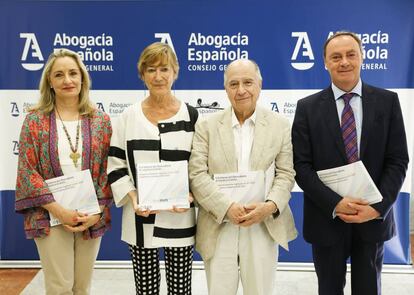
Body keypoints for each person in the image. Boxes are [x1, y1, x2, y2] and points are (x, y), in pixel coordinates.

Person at [292, 31, 409, 295]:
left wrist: (378, 207)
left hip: (372, 219)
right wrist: (335, 203)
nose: (344, 61)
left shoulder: (387, 102)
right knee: (329, 289)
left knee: (368, 290)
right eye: (336, 57)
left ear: (362, 57)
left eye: (350, 54)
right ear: (325, 62)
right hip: (326, 218)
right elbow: (301, 166)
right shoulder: (306, 108)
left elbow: (398, 159)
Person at [189, 59, 297, 295]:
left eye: (248, 82)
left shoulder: (280, 125)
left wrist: (269, 207)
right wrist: (227, 207)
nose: (241, 90)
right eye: (233, 84)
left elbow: (286, 174)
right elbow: (197, 175)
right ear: (226, 89)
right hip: (219, 222)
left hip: (263, 223)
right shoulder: (206, 127)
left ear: (260, 85)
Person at [15, 48, 113, 294]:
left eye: (72, 73)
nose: (67, 80)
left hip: (90, 214)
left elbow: (107, 169)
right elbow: (28, 171)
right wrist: (59, 210)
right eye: (59, 75)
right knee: (59, 287)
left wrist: (97, 211)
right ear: (50, 81)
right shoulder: (35, 120)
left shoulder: (100, 120)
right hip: (50, 214)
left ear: (82, 78)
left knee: (82, 287)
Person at [107, 42, 198, 295]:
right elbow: (116, 165)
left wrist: (191, 195)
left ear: (175, 72)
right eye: (151, 70)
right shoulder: (128, 116)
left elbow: (200, 166)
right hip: (140, 217)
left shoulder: (192, 117)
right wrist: (134, 199)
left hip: (180, 217)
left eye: (164, 69)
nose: (158, 76)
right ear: (142, 74)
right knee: (145, 290)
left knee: (181, 289)